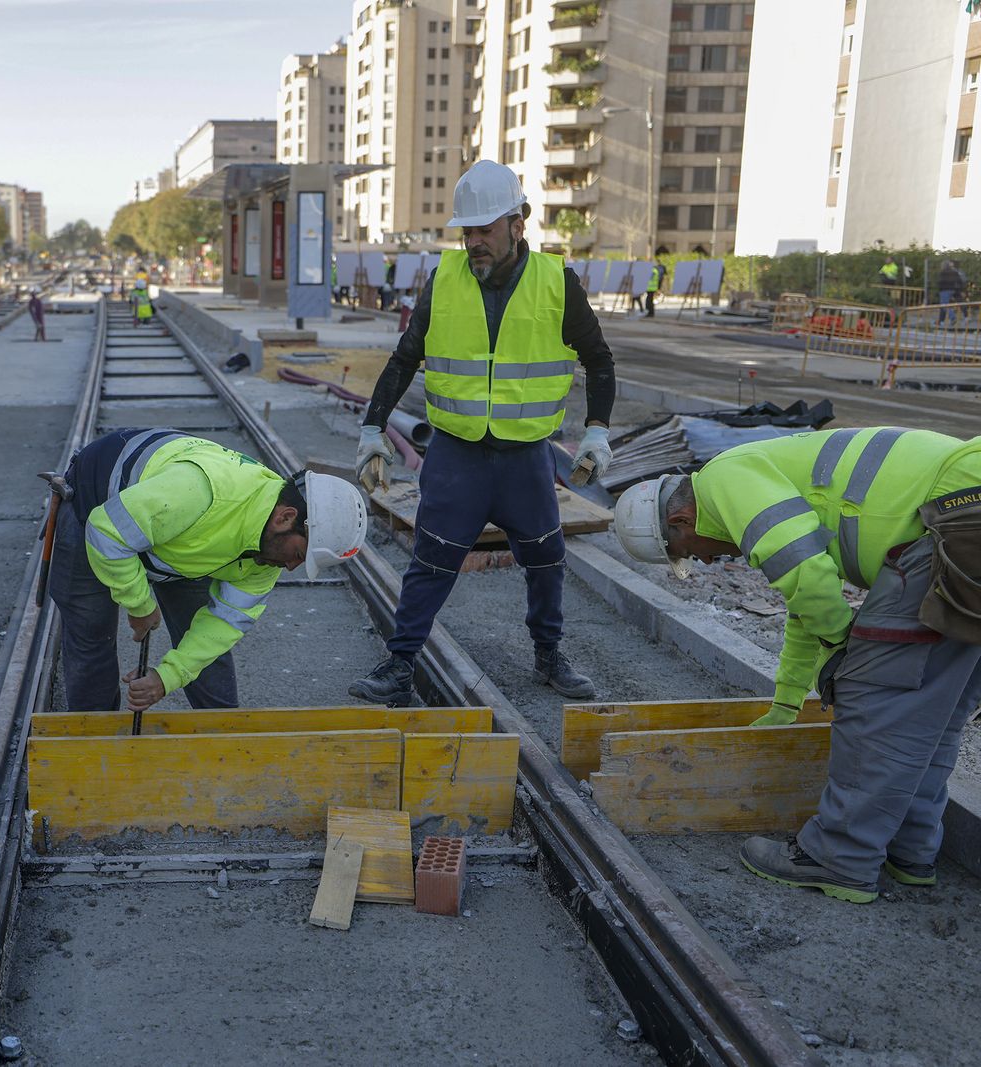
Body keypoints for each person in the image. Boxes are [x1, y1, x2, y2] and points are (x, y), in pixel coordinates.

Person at [613, 428, 981, 904]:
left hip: (955, 522)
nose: (703, 562)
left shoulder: (724, 481)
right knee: (929, 710)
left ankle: (840, 856)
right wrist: (787, 703)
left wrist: (843, 647)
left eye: (688, 554)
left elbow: (807, 576)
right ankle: (910, 852)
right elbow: (805, 598)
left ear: (682, 520)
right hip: (963, 517)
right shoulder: (757, 476)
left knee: (875, 696)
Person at [349, 159, 617, 707]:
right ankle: (400, 665)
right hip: (457, 455)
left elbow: (600, 359)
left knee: (546, 563)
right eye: (466, 231)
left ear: (519, 223)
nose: (473, 242)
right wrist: (372, 428)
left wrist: (597, 434)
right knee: (431, 561)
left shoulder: (555, 282)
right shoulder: (444, 280)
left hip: (525, 460)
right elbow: (405, 358)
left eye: (484, 230)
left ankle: (548, 656)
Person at [50, 428, 369, 713]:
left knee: (201, 642)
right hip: (98, 508)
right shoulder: (203, 493)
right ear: (285, 518)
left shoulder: (268, 551)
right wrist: (139, 605)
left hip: (181, 540)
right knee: (91, 631)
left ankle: (223, 733)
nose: (290, 567)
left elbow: (222, 624)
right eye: (299, 554)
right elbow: (107, 531)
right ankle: (93, 738)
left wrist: (165, 678)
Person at [936, 259, 968, 326]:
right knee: (947, 304)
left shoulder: (942, 272)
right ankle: (942, 321)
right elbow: (960, 281)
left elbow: (940, 282)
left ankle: (952, 318)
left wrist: (939, 290)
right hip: (953, 290)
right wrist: (960, 290)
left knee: (944, 305)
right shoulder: (954, 272)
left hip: (944, 290)